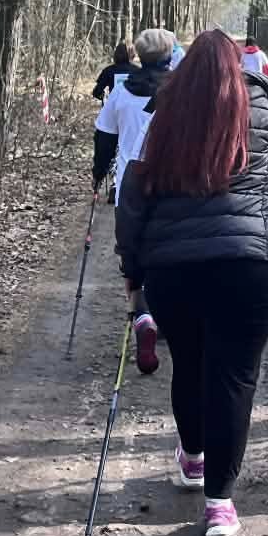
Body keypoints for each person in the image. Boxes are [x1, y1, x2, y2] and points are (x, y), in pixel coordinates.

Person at [115, 30, 268, 536]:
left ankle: (194, 458)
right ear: (238, 69)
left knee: (190, 362)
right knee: (234, 377)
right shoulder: (265, 113)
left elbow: (132, 197)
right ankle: (220, 504)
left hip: (174, 269)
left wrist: (133, 270)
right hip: (250, 267)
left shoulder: (162, 117)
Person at [93, 28, 176, 327]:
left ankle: (139, 313)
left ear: (140, 55)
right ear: (169, 55)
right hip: (172, 186)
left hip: (129, 188)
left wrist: (98, 174)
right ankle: (166, 312)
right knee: (169, 248)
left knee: (132, 251)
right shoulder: (181, 90)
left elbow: (104, 139)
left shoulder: (121, 91)